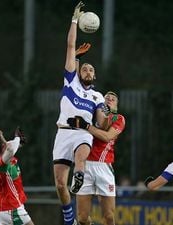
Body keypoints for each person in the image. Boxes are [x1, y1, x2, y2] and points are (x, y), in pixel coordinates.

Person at [52, 2, 108, 225]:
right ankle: (68, 217)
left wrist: (107, 115)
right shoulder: (70, 82)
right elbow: (70, 46)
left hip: (82, 132)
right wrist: (74, 20)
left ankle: (80, 174)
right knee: (58, 183)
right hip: (63, 132)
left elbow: (102, 125)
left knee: (82, 152)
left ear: (94, 77)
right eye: (84, 68)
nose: (87, 70)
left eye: (91, 70)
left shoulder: (98, 97)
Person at [67, 91, 126, 225]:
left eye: (113, 99)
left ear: (116, 107)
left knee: (109, 217)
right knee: (82, 218)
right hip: (84, 166)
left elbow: (106, 137)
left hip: (104, 167)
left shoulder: (119, 119)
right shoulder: (90, 115)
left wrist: (86, 126)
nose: (109, 99)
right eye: (107, 98)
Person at [0, 128, 34, 225]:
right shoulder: (1, 161)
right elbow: (11, 149)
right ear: (3, 146)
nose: (6, 141)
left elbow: (9, 148)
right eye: (4, 139)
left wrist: (19, 143)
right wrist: (17, 138)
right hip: (11, 207)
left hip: (5, 207)